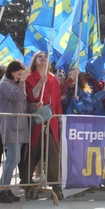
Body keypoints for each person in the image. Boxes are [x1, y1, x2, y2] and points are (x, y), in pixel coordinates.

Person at [22, 51, 63, 199]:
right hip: (36, 121)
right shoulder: (30, 77)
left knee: (53, 153)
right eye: (40, 56)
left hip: (51, 121)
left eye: (45, 56)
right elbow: (31, 96)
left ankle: (55, 187)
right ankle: (26, 184)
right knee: (33, 154)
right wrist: (40, 83)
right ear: (35, 61)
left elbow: (57, 101)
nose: (43, 58)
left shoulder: (53, 79)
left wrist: (59, 119)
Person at [0, 60, 30, 203]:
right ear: (12, 72)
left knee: (15, 158)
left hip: (19, 126)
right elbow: (18, 96)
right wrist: (22, 82)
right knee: (12, 158)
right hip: (10, 126)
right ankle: (1, 189)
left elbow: (23, 102)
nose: (20, 77)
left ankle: (5, 187)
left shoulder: (14, 84)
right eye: (19, 74)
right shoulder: (4, 84)